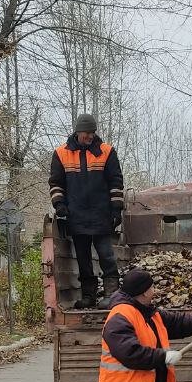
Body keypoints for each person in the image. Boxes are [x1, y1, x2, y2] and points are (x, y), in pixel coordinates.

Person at [49, 113, 125, 309]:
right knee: (83, 259)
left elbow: (116, 182)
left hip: (101, 214)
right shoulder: (61, 154)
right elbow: (56, 184)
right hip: (76, 216)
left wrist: (116, 208)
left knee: (106, 256)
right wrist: (60, 205)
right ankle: (88, 295)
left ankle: (112, 295)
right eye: (86, 133)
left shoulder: (106, 152)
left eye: (92, 133)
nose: (90, 137)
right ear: (77, 132)